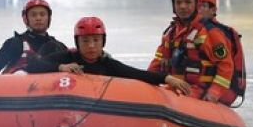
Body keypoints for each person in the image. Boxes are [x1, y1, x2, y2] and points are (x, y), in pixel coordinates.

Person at [26, 16, 192, 94]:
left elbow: (136, 73)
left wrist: (167, 78)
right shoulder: (67, 58)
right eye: (85, 41)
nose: (91, 46)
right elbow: (33, 65)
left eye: (96, 40)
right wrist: (60, 67)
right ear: (77, 43)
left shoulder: (108, 64)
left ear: (102, 42)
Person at [147, 0, 238, 105]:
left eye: (188, 2)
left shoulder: (211, 33)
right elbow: (156, 64)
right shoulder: (170, 34)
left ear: (197, 5)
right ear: (173, 6)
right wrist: (146, 82)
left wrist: (214, 92)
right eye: (178, 2)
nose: (183, 6)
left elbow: (226, 65)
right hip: (174, 89)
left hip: (199, 92)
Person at [0, 0, 67, 79]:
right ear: (26, 19)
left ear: (49, 18)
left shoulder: (59, 47)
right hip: (15, 88)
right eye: (33, 15)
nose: (38, 18)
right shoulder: (15, 43)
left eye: (42, 14)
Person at [198, 0, 246, 105]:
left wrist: (214, 92)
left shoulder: (215, 33)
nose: (198, 10)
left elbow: (225, 66)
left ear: (213, 10)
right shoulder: (184, 31)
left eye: (203, 6)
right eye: (197, 6)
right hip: (194, 86)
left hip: (219, 89)